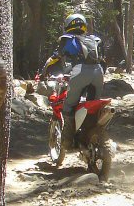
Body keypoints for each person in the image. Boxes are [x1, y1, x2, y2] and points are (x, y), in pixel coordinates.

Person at [40, 13, 105, 148]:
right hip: (98, 72)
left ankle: (67, 142)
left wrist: (44, 72)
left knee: (68, 106)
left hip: (81, 72)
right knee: (92, 106)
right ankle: (90, 137)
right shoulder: (94, 40)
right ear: (83, 25)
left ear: (68, 25)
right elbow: (103, 61)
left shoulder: (68, 39)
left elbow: (55, 57)